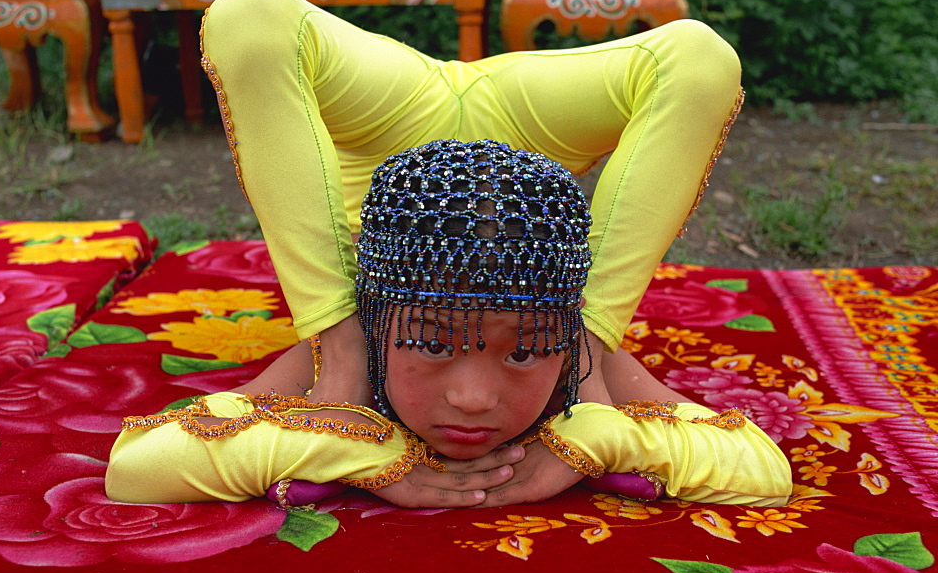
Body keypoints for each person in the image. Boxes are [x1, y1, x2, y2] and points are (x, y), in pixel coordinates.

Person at [106, 139, 792, 509]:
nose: (472, 395)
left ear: (566, 331)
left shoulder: (579, 369)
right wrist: (355, 447)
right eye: (433, 342)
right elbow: (135, 468)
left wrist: (597, 437)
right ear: (372, 324)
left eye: (521, 352)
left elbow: (763, 471)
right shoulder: (344, 362)